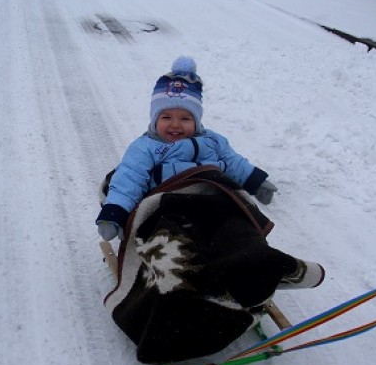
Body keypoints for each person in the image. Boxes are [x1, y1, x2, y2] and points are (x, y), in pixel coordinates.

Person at [96, 56, 324, 289]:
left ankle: (266, 265)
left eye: (185, 118)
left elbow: (234, 163)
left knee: (236, 229)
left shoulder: (213, 141)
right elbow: (128, 179)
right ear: (155, 119)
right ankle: (183, 280)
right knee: (177, 245)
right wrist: (114, 213)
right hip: (170, 209)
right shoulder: (145, 148)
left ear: (197, 119)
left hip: (214, 203)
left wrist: (256, 181)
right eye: (166, 117)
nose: (175, 125)